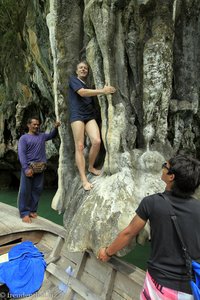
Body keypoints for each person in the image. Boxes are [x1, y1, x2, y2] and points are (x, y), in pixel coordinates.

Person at [98, 155, 200, 299]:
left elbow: (129, 233)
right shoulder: (198, 207)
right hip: (190, 287)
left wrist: (107, 253)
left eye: (166, 166)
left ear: (171, 177)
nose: (163, 168)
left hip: (160, 285)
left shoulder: (152, 203)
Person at [68, 61, 116, 191]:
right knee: (79, 146)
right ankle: (84, 180)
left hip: (89, 116)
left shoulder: (88, 84)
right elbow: (82, 93)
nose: (83, 69)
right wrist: (103, 91)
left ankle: (91, 167)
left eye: (85, 68)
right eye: (81, 68)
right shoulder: (73, 80)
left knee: (96, 141)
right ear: (77, 71)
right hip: (77, 115)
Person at [18, 117, 60, 223]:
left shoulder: (41, 136)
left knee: (37, 190)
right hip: (29, 168)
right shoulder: (24, 138)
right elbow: (21, 154)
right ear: (28, 125)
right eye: (34, 124)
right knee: (25, 191)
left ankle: (32, 210)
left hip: (40, 168)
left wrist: (55, 128)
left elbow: (51, 135)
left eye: (38, 124)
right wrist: (26, 168)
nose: (36, 126)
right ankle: (24, 213)